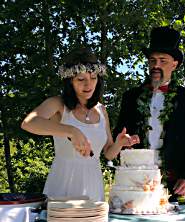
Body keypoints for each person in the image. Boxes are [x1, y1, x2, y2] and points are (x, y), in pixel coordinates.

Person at [21, 47, 140, 201]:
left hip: (93, 185)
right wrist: (71, 131)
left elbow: (108, 153)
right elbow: (28, 123)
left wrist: (119, 143)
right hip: (63, 184)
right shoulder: (58, 104)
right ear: (70, 81)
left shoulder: (102, 110)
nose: (88, 84)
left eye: (93, 78)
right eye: (81, 79)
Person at [113, 26, 185, 201]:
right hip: (137, 185)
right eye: (152, 60)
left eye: (163, 60)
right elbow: (118, 135)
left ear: (175, 64)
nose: (156, 65)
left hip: (178, 188)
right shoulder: (130, 97)